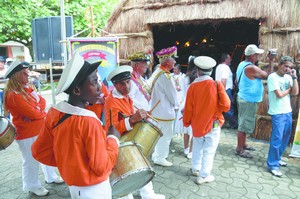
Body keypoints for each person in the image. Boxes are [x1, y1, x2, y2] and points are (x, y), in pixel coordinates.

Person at [32, 52, 120, 198]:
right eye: (94, 82)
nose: (100, 87)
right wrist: (113, 140)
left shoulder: (54, 112)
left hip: (74, 186)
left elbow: (38, 151)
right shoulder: (89, 121)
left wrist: (69, 164)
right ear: (77, 90)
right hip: (95, 189)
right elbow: (101, 167)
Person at [3, 60, 63, 197]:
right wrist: (39, 111)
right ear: (16, 76)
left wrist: (37, 109)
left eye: (27, 72)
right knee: (30, 161)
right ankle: (32, 185)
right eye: (24, 73)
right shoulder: (13, 94)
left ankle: (51, 176)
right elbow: (34, 113)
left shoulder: (25, 89)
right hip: (27, 134)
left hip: (38, 129)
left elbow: (42, 102)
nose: (27, 75)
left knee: (47, 153)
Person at [104, 65, 153, 199]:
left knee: (140, 166)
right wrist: (132, 120)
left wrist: (138, 117)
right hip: (119, 144)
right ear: (115, 84)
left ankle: (148, 195)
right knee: (126, 176)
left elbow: (128, 116)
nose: (126, 86)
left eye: (128, 82)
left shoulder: (126, 97)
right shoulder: (111, 102)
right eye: (122, 84)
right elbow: (110, 129)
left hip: (128, 140)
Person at [183, 56, 230, 185]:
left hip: (197, 124)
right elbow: (226, 105)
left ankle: (195, 169)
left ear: (198, 71)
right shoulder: (216, 84)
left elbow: (188, 108)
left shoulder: (192, 87)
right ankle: (204, 176)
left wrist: (186, 122)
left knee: (197, 146)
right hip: (213, 124)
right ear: (211, 71)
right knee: (209, 150)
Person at [128, 52, 165, 199]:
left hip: (143, 120)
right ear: (137, 65)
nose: (146, 66)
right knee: (138, 157)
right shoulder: (130, 80)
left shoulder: (139, 78)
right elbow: (129, 102)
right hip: (138, 122)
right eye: (144, 63)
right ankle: (139, 192)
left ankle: (145, 192)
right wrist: (139, 114)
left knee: (140, 157)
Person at [235, 44, 274, 158]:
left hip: (244, 98)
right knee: (243, 125)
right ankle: (239, 149)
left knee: (245, 123)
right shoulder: (251, 68)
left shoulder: (242, 64)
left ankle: (243, 144)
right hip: (247, 100)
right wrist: (271, 61)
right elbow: (269, 76)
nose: (258, 57)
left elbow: (237, 81)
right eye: (257, 55)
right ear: (252, 56)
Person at [266, 56, 298, 177]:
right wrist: (289, 90)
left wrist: (294, 77)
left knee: (285, 137)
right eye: (286, 66)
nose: (288, 69)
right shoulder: (272, 77)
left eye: (290, 67)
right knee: (277, 139)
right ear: (279, 65)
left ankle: (277, 158)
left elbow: (295, 92)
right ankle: (273, 165)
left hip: (287, 111)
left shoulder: (289, 77)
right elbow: (279, 94)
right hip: (277, 112)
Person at [148, 46, 179, 167]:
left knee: (159, 135)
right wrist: (178, 105)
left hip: (156, 110)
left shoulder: (157, 72)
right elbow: (173, 96)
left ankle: (157, 155)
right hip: (165, 112)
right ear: (167, 62)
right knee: (166, 136)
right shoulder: (166, 76)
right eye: (173, 60)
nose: (175, 62)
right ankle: (160, 157)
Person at [173, 60, 194, 159]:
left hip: (185, 102)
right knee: (194, 129)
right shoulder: (198, 79)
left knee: (186, 128)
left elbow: (182, 90)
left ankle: (186, 149)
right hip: (194, 103)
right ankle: (191, 151)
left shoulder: (184, 77)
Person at [215, 53, 238, 129]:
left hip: (217, 89)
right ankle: (234, 123)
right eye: (229, 58)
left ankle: (219, 122)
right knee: (228, 107)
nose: (230, 60)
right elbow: (223, 79)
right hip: (225, 90)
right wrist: (223, 92)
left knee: (220, 107)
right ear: (225, 59)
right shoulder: (225, 67)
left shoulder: (218, 67)